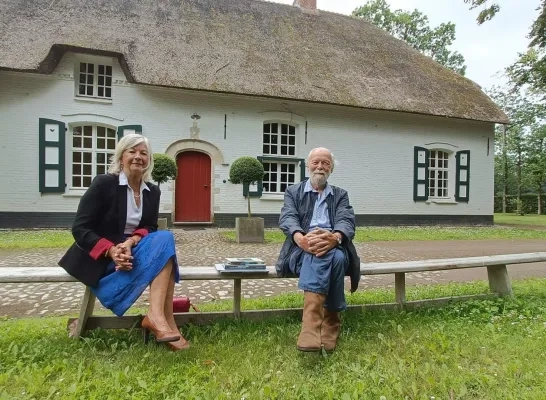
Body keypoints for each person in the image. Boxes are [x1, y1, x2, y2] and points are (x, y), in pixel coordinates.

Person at [59, 133, 189, 351]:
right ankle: (164, 322)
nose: (138, 157)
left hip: (131, 252)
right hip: (100, 259)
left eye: (143, 153)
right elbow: (80, 228)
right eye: (132, 151)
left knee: (164, 238)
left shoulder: (152, 191)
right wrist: (111, 250)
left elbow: (149, 227)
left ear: (149, 160)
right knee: (166, 249)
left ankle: (159, 319)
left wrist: (130, 242)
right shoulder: (104, 184)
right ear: (121, 157)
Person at [276, 147, 360, 352]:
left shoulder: (340, 195)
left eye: (325, 163)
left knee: (334, 255)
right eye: (316, 162)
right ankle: (330, 323)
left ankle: (310, 327)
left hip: (333, 242)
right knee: (335, 259)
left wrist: (335, 237)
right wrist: (300, 238)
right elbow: (287, 217)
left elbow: (346, 220)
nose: (320, 166)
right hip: (301, 249)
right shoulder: (293, 192)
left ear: (331, 168)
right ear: (307, 166)